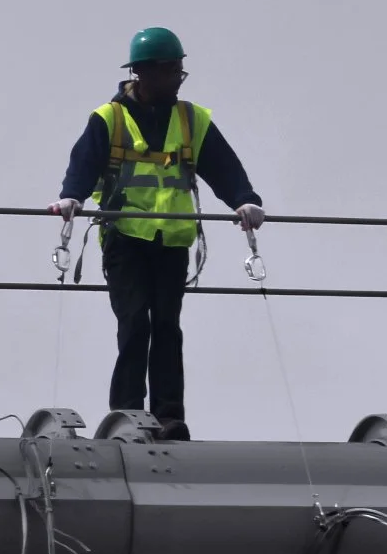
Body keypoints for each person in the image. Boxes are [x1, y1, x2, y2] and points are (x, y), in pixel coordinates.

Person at [49, 27, 264, 441]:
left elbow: (223, 165)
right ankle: (129, 412)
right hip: (125, 238)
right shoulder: (108, 119)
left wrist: (244, 199)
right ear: (144, 74)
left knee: (167, 325)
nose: (177, 80)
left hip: (172, 240)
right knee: (134, 322)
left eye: (180, 73)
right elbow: (84, 165)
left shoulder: (191, 120)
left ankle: (168, 417)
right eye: (171, 72)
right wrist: (70, 198)